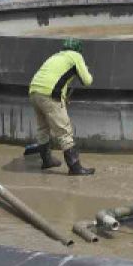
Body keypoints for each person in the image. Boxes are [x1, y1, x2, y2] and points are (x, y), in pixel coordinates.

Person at [28, 38, 94, 175]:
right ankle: (75, 167)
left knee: (43, 127)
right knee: (64, 130)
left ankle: (46, 161)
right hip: (49, 94)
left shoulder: (56, 56)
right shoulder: (76, 56)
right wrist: (85, 70)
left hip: (34, 91)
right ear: (78, 49)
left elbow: (54, 78)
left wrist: (62, 96)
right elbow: (87, 81)